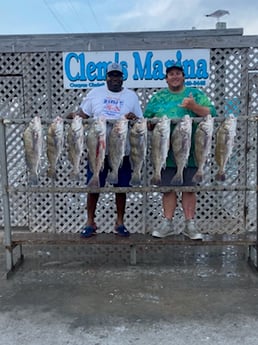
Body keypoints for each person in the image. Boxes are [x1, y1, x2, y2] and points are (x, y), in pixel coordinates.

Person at [68, 62, 143, 238]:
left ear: (122, 78)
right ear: (106, 77)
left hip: (121, 148)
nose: (115, 79)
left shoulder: (131, 96)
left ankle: (120, 222)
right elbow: (83, 114)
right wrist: (71, 116)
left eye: (118, 76)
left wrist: (133, 118)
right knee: (94, 187)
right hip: (96, 148)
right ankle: (90, 222)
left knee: (121, 188)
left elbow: (140, 119)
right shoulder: (95, 93)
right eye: (112, 76)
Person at [144, 65, 216, 240]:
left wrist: (193, 106)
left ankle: (189, 224)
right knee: (168, 188)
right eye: (171, 74)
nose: (175, 76)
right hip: (164, 152)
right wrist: (153, 124)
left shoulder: (195, 94)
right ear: (166, 78)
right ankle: (167, 223)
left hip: (191, 149)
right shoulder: (158, 97)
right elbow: (147, 120)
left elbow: (210, 113)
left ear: (184, 77)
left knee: (189, 188)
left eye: (178, 74)